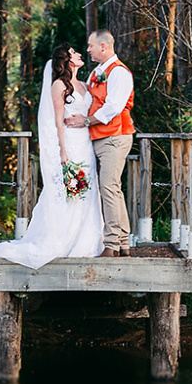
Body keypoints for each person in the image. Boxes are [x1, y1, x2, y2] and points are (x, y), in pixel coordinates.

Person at [0, 45, 105, 267]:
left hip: (85, 144)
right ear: (67, 60)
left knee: (87, 191)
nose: (79, 54)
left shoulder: (84, 85)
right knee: (71, 192)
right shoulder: (59, 86)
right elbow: (56, 121)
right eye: (74, 53)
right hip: (70, 142)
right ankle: (63, 239)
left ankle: (85, 242)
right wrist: (62, 149)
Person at [64, 29, 135, 257]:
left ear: (103, 46)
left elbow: (113, 107)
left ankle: (112, 245)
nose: (87, 49)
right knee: (113, 188)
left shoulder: (120, 73)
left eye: (90, 45)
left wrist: (85, 121)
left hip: (115, 136)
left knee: (109, 187)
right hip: (100, 137)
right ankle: (123, 242)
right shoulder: (96, 72)